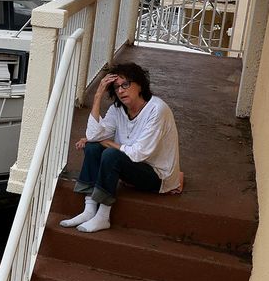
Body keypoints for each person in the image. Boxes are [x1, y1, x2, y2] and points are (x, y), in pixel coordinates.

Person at [60, 62, 182, 233]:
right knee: (93, 147)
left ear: (139, 84)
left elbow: (138, 154)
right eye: (116, 87)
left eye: (125, 84)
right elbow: (94, 136)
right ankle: (89, 209)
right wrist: (97, 95)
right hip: (132, 167)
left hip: (156, 176)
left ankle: (103, 216)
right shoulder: (118, 109)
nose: (121, 90)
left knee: (111, 155)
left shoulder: (157, 109)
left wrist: (108, 142)